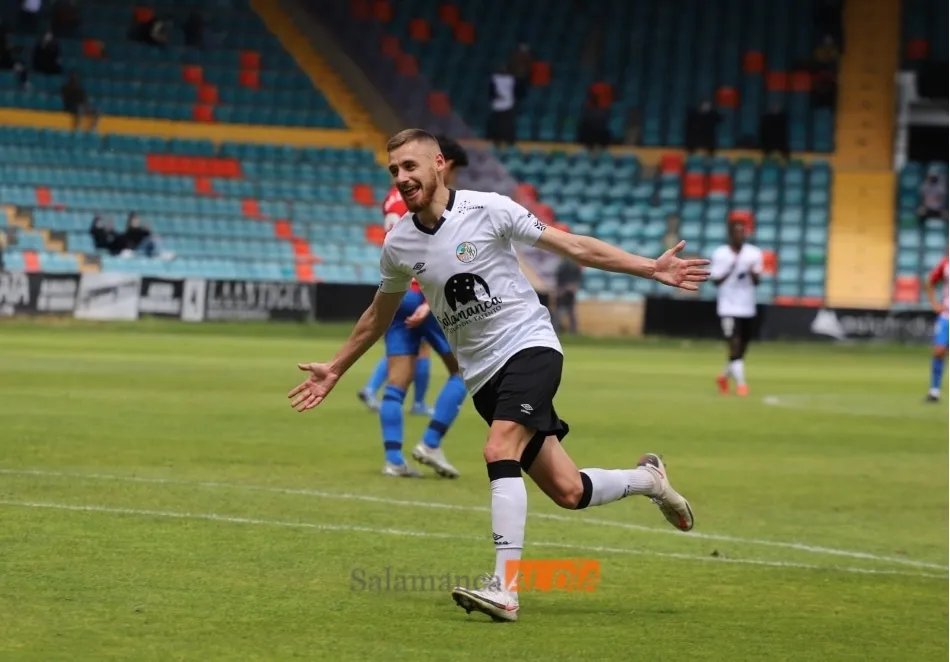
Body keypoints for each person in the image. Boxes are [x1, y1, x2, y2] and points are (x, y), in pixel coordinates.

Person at [287, 128, 708, 622]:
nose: (401, 177)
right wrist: (336, 367)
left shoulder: (488, 208)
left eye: (410, 166)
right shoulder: (398, 242)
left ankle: (505, 589)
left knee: (498, 448)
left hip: (530, 347)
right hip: (482, 377)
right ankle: (649, 480)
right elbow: (379, 314)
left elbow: (573, 246)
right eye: (394, 170)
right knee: (569, 491)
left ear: (439, 164)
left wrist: (650, 268)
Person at [358, 135, 470, 417]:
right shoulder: (426, 198)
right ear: (444, 163)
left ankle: (376, 392)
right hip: (422, 288)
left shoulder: (392, 196)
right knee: (460, 368)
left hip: (397, 285)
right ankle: (428, 427)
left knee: (403, 353)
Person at [710, 221, 763, 397]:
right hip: (728, 307)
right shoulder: (720, 253)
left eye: (743, 232)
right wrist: (730, 268)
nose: (740, 235)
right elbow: (716, 281)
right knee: (734, 345)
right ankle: (742, 384)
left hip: (747, 307)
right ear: (730, 235)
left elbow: (757, 282)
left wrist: (752, 272)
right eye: (737, 232)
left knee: (740, 351)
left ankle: (723, 377)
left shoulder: (754, 253)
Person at [925, 255, 948, 402]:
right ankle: (934, 391)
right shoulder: (946, 263)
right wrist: (934, 304)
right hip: (946, 316)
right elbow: (930, 282)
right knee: (939, 351)